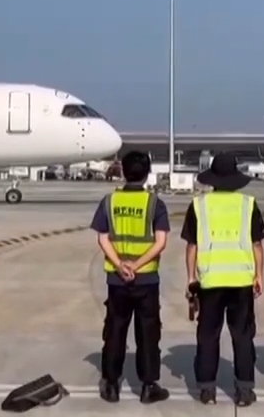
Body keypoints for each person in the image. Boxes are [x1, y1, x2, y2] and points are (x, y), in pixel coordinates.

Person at [181, 152, 264, 407]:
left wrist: (191, 278)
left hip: (210, 281)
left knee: (208, 335)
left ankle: (207, 390)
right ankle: (244, 390)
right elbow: (257, 244)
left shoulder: (199, 205)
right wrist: (259, 275)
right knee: (243, 336)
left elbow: (192, 246)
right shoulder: (248, 204)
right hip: (241, 281)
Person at [90, 150, 171, 404]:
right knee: (148, 333)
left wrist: (120, 265)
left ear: (123, 172)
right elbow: (161, 242)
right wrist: (136, 265)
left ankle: (111, 384)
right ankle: (148, 386)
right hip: (146, 279)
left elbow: (102, 238)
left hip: (117, 280)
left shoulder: (109, 202)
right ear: (147, 174)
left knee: (115, 330)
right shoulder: (155, 204)